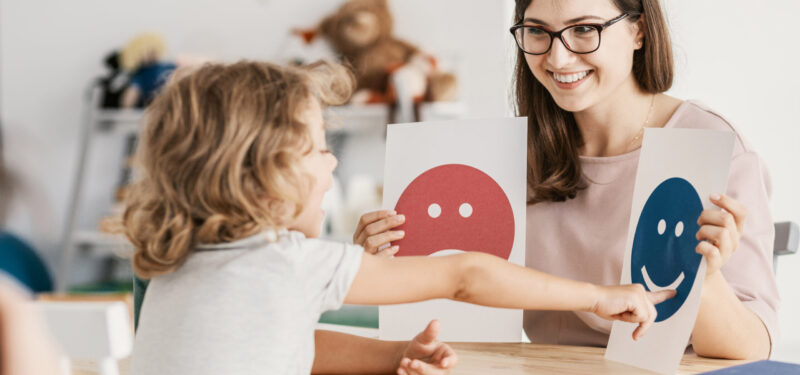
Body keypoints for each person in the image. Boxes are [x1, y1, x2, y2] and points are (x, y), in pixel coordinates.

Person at [121, 60, 672, 375]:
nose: (332, 160)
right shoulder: (289, 263)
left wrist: (394, 354)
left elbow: (287, 341)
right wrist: (596, 297)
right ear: (260, 176)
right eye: (316, 148)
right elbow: (464, 275)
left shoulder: (177, 265)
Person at [356, 0, 779, 361]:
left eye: (584, 30)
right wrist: (386, 260)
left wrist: (703, 276)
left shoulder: (708, 145)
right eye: (537, 32)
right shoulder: (505, 158)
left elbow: (752, 347)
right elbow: (464, 298)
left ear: (639, 31)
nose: (557, 59)